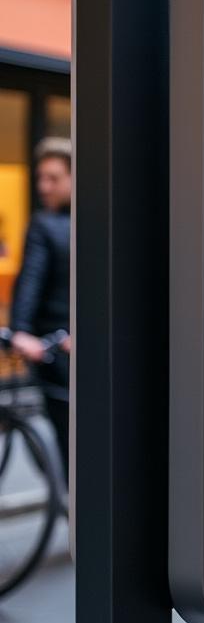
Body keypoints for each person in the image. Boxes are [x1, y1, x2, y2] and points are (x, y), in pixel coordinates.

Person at [10, 137, 73, 482]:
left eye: (53, 178)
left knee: (73, 439)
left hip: (60, 350)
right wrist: (21, 329)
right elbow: (30, 282)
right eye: (40, 178)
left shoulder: (47, 226)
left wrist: (21, 330)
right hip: (57, 348)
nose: (43, 186)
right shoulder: (53, 224)